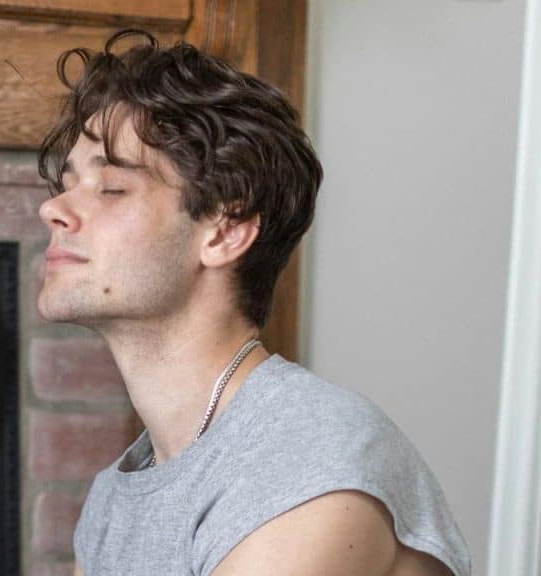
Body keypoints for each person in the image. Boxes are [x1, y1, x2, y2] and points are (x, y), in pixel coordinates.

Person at [35, 29, 470, 576]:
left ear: (224, 231)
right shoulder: (114, 500)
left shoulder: (307, 459)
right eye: (66, 183)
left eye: (112, 188)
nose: (54, 210)